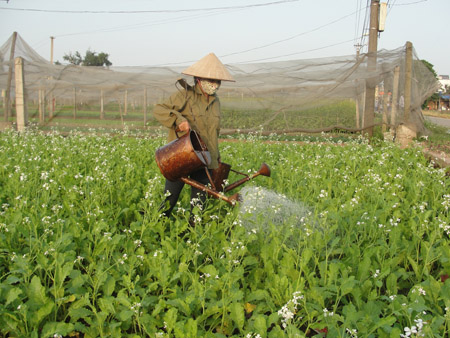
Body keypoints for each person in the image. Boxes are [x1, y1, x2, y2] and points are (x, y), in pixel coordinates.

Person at [153, 53, 235, 218]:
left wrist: (216, 157)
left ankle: (193, 233)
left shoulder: (215, 101)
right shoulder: (184, 95)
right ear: (199, 79)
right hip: (181, 156)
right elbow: (159, 109)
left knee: (199, 202)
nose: (216, 85)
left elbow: (213, 133)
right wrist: (179, 120)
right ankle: (156, 229)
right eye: (212, 81)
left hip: (204, 159)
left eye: (218, 81)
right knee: (170, 198)